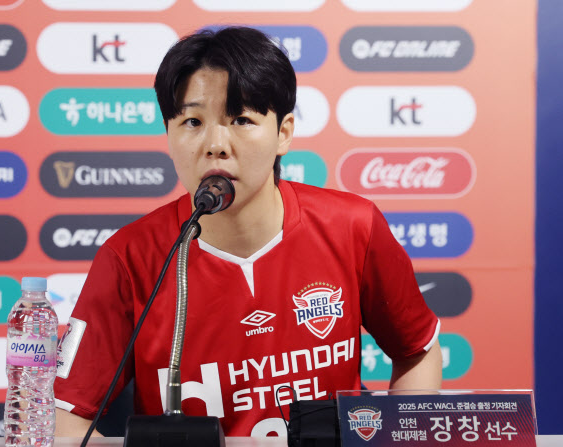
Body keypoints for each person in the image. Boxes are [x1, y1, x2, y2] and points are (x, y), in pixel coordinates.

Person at [53, 26, 442, 438]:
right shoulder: (129, 257)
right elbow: (64, 417)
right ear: (168, 133)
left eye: (241, 119)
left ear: (283, 133)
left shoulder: (353, 226)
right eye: (192, 121)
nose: (216, 144)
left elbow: (417, 351)